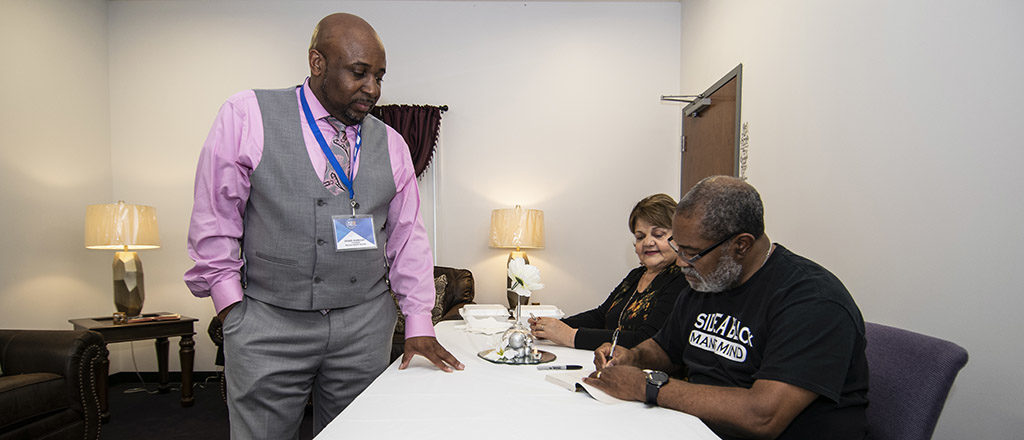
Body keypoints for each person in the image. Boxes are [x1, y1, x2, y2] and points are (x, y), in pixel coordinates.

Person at [183, 13, 463, 439]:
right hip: (267, 323)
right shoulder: (247, 115)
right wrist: (232, 309)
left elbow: (408, 240)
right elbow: (214, 217)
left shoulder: (392, 143)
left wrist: (418, 322)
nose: (372, 88)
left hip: (365, 326)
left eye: (379, 76)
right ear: (317, 62)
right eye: (359, 72)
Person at [584, 176, 869, 440]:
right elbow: (665, 348)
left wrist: (646, 386)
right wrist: (632, 357)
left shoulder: (812, 300)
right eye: (678, 247)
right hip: (695, 428)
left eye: (692, 253)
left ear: (741, 245)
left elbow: (763, 416)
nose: (681, 262)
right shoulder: (706, 282)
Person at [529, 194, 686, 350]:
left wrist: (570, 336)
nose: (648, 242)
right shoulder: (636, 275)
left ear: (678, 237)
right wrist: (552, 326)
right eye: (640, 237)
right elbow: (600, 316)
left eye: (658, 235)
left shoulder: (682, 280)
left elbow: (646, 340)